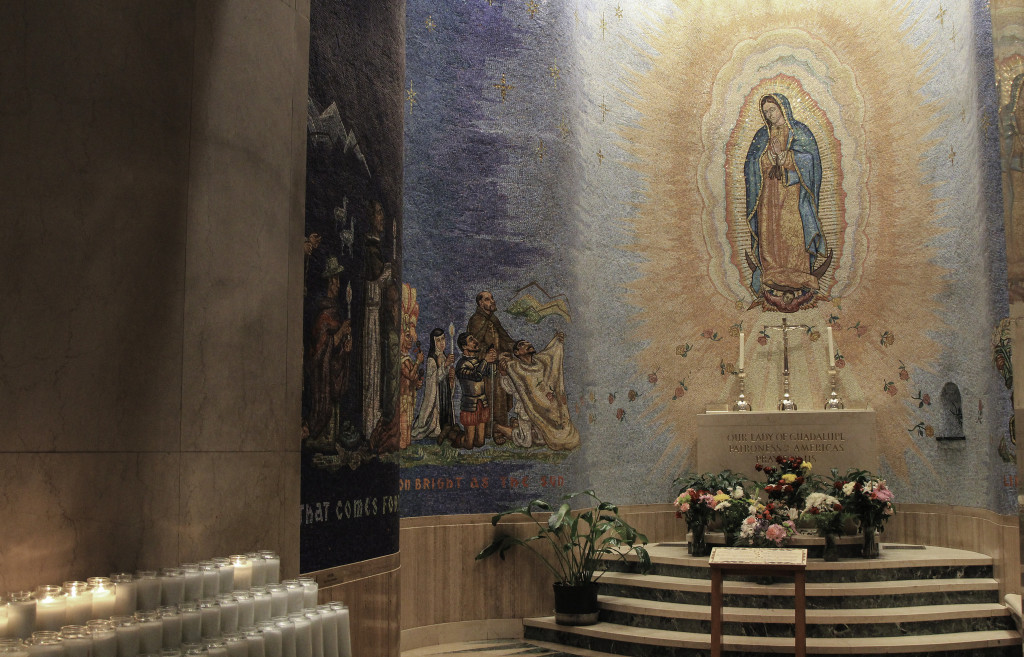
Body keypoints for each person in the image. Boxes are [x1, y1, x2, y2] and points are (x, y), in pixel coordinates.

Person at [744, 93, 828, 311]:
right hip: (768, 194)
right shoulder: (762, 135)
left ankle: (798, 273)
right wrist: (768, 158)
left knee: (793, 230)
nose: (770, 115)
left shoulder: (800, 132)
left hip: (792, 193)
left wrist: (785, 157)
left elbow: (811, 161)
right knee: (771, 232)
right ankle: (772, 271)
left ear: (783, 108)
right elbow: (751, 164)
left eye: (772, 110)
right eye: (766, 112)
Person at [499, 332, 579, 451]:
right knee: (525, 441)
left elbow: (551, 354)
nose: (528, 344)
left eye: (528, 343)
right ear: (517, 352)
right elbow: (510, 389)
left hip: (543, 410)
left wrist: (557, 341)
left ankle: (516, 424)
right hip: (526, 409)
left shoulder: (541, 362)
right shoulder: (515, 367)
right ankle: (498, 427)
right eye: (522, 344)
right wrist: (504, 373)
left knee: (542, 440)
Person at [306, 257, 353, 445]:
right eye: (335, 280)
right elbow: (322, 347)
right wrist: (341, 332)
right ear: (329, 282)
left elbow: (335, 347)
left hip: (333, 369)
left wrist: (345, 348)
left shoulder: (335, 310)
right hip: (322, 373)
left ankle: (330, 439)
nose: (338, 285)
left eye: (338, 280)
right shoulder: (324, 313)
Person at [466, 290, 515, 442]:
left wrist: (516, 348)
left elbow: (505, 339)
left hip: (497, 367)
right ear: (480, 303)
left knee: (500, 399)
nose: (492, 301)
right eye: (487, 299)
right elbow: (473, 346)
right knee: (487, 399)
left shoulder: (493, 319)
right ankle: (488, 430)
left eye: (492, 298)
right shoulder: (476, 320)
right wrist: (487, 355)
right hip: (484, 369)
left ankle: (500, 429)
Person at [362, 201, 393, 440]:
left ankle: (375, 419)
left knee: (377, 365)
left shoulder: (376, 246)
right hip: (371, 314)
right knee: (371, 365)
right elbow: (375, 280)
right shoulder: (370, 247)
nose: (382, 217)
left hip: (377, 313)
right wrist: (387, 273)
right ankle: (369, 423)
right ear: (371, 217)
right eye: (379, 213)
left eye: (382, 212)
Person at [412, 328, 456, 444]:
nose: (442, 343)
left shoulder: (444, 356)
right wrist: (445, 366)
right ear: (433, 342)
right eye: (438, 340)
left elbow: (447, 378)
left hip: (445, 391)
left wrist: (452, 379)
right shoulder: (432, 359)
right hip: (437, 394)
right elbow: (432, 380)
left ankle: (447, 428)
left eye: (443, 339)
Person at [455, 332, 497, 449]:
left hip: (482, 402)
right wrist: (485, 361)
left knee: (480, 442)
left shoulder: (478, 362)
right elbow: (477, 376)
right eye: (471, 340)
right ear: (464, 346)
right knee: (468, 445)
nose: (475, 342)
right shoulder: (461, 364)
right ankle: (453, 435)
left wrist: (492, 361)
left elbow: (491, 373)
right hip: (469, 404)